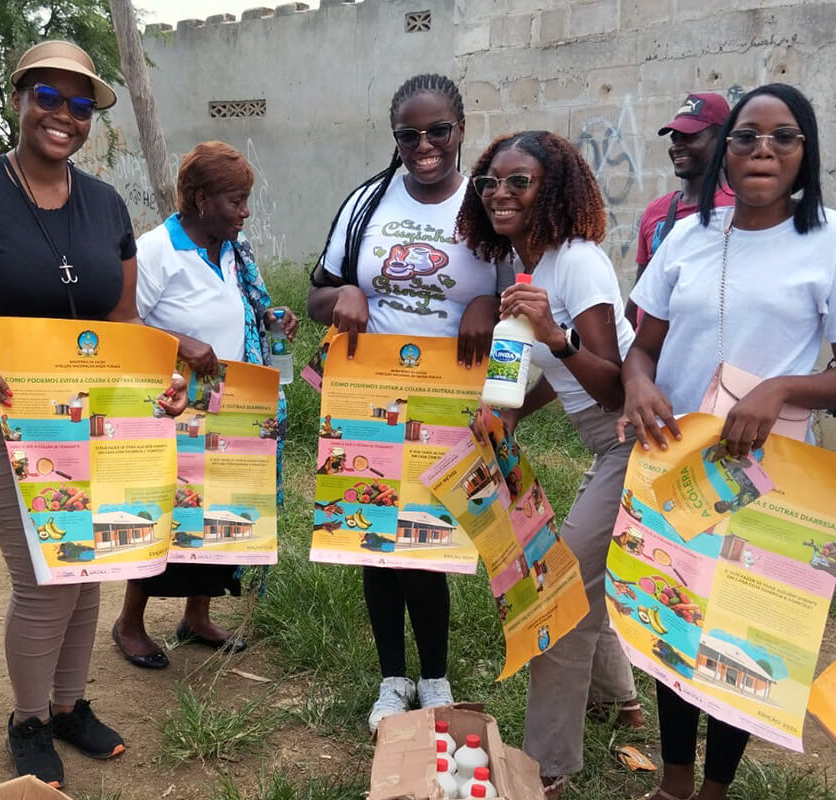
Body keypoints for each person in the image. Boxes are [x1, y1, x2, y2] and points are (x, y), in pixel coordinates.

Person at [0, 41, 187, 789]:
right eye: (49, 98)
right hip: (1, 421)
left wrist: (163, 381)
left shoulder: (106, 205)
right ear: (21, 99)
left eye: (80, 103)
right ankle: (28, 720)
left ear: (92, 117)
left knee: (87, 569)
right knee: (41, 574)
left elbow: (124, 317)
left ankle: (67, 705)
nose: (64, 115)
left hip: (93, 424)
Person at [617, 84, 836, 800]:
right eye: (746, 136)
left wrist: (782, 389)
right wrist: (638, 385)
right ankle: (674, 782)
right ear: (724, 153)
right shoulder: (688, 233)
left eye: (783, 137)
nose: (763, 149)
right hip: (676, 459)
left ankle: (715, 788)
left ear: (807, 152)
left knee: (740, 632)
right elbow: (643, 347)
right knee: (672, 619)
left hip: (764, 470)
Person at [306, 73, 500, 732]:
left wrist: (489, 302)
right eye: (408, 134)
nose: (424, 145)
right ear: (396, 138)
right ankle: (394, 679)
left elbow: (531, 304)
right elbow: (316, 298)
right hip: (367, 396)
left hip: (449, 403)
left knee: (426, 543)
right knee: (372, 540)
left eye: (437, 130)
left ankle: (437, 678)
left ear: (460, 129)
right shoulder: (368, 203)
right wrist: (343, 298)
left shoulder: (487, 207)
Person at [456, 130, 641, 798]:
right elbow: (539, 378)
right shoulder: (518, 268)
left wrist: (556, 337)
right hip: (604, 442)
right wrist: (506, 417)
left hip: (631, 438)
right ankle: (621, 702)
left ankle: (548, 767)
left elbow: (615, 384)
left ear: (552, 189)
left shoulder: (579, 262)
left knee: (558, 594)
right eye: (490, 183)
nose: (500, 194)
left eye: (519, 182)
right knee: (579, 574)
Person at [109, 141, 298, 669]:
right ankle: (129, 624)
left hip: (232, 406)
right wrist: (178, 343)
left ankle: (197, 616)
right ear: (198, 199)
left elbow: (237, 310)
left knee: (220, 514)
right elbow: (122, 324)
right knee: (166, 517)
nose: (245, 211)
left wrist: (271, 318)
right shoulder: (155, 252)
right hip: (175, 411)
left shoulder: (232, 250)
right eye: (236, 200)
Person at [626, 93, 734, 326]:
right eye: (675, 138)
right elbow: (639, 295)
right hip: (651, 356)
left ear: (723, 140)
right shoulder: (657, 210)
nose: (677, 146)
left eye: (690, 137)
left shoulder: (739, 209)